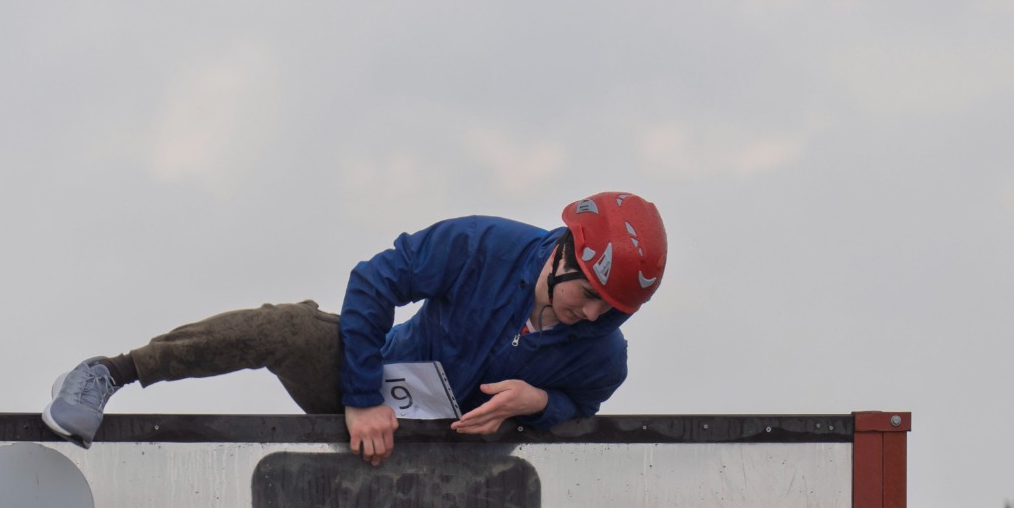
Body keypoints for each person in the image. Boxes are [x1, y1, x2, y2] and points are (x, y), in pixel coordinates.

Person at [41, 192, 667, 459]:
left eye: (614, 310)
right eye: (589, 296)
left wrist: (542, 403)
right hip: (367, 393)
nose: (594, 315)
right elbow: (375, 280)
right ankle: (109, 373)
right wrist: (364, 397)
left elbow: (581, 408)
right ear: (565, 254)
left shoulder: (604, 356)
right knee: (287, 329)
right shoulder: (482, 244)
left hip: (454, 462)